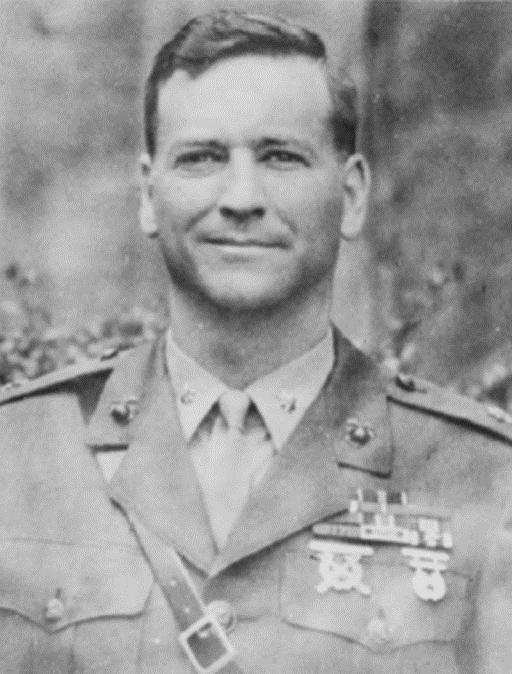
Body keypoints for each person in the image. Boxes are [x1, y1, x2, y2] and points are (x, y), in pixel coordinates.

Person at [0, 9, 512, 674]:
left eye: (281, 157)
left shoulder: (480, 476)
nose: (241, 197)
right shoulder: (20, 454)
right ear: (148, 194)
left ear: (352, 194)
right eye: (202, 158)